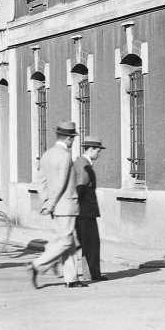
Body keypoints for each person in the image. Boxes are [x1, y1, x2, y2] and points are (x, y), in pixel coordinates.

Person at [29, 121, 84, 289]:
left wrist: (46, 200)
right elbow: (61, 183)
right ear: (67, 138)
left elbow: (40, 180)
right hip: (65, 205)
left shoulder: (47, 154)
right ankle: (37, 264)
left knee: (69, 242)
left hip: (56, 205)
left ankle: (71, 278)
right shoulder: (64, 155)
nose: (73, 141)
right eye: (72, 138)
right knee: (66, 241)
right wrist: (51, 204)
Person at [72, 138, 106, 282]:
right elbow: (80, 187)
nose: (99, 154)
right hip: (85, 211)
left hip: (80, 211)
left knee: (81, 243)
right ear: (90, 149)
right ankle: (92, 274)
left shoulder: (79, 162)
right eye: (98, 151)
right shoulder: (84, 165)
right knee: (91, 243)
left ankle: (88, 273)